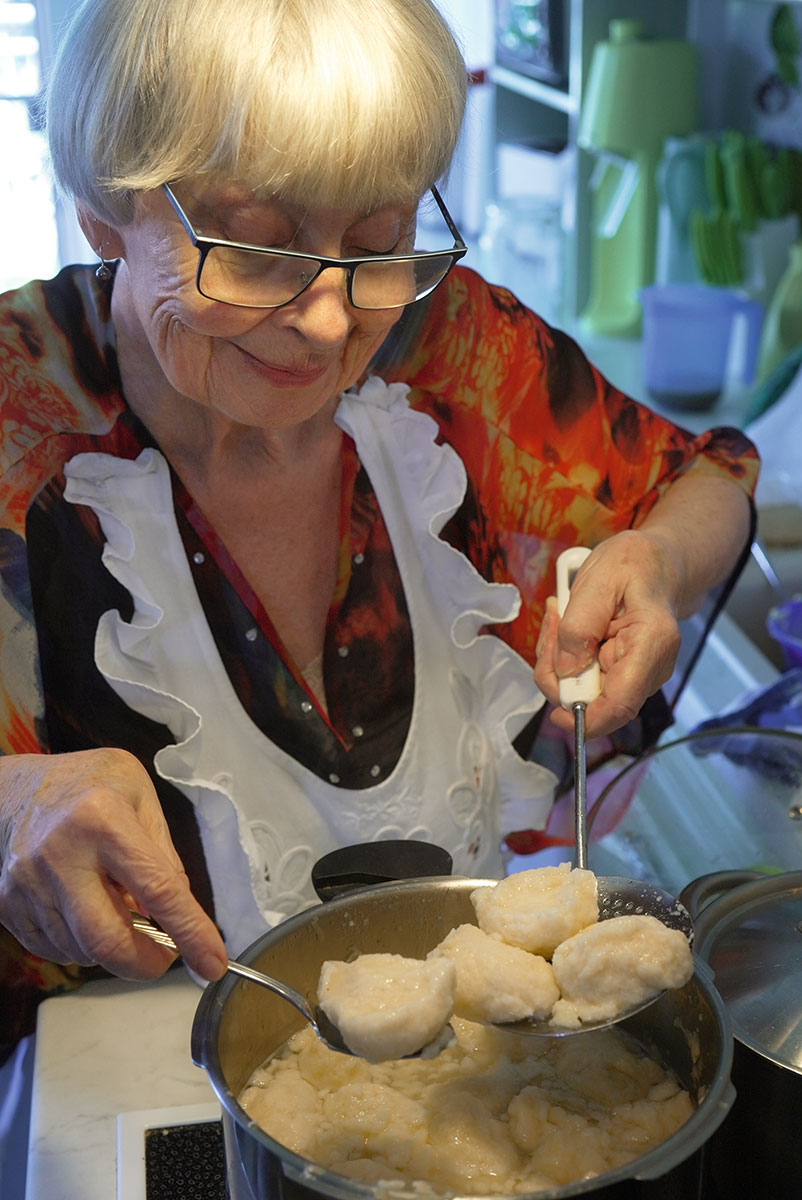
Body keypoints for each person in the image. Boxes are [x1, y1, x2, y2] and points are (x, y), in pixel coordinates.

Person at [0, 0, 757, 1065]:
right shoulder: (15, 415)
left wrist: (659, 562)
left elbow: (704, 480)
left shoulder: (454, 350)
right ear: (102, 209)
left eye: (376, 240)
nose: (325, 320)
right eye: (255, 248)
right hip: (109, 1085)